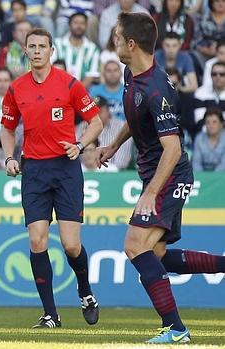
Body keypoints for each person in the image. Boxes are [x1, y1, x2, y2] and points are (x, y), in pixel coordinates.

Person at [97, 12, 225, 344]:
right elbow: (135, 117)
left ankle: (177, 329)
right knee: (155, 255)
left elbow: (171, 148)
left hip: (169, 174)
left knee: (134, 245)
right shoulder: (131, 73)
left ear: (130, 43)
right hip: (156, 174)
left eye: (115, 38)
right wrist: (112, 145)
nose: (112, 44)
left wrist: (151, 192)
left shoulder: (156, 88)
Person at [0, 27, 103, 329]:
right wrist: (9, 157)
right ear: (26, 51)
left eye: (42, 46)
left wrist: (81, 145)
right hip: (33, 171)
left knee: (71, 246)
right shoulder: (16, 88)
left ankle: (85, 291)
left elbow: (95, 122)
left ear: (51, 51)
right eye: (31, 46)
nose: (36, 51)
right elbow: (7, 128)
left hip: (66, 167)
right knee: (36, 240)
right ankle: (50, 315)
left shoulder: (70, 84)